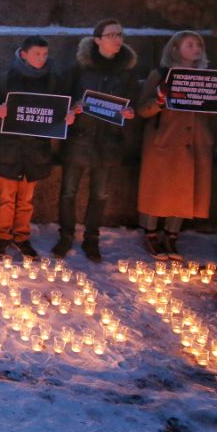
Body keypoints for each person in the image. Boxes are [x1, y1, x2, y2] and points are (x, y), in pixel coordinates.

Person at [135, 30, 217, 260]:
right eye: (190, 44)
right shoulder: (160, 74)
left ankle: (172, 235)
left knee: (185, 188)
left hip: (195, 141)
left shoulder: (208, 77)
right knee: (157, 188)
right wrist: (160, 99)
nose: (196, 48)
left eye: (198, 44)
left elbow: (214, 112)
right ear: (175, 49)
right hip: (166, 141)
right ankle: (151, 233)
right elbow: (143, 109)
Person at [53, 20, 137, 262]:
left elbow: (133, 102)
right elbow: (61, 98)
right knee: (68, 191)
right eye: (111, 35)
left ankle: (92, 239)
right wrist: (73, 107)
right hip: (79, 139)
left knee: (100, 194)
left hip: (109, 142)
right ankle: (66, 236)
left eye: (120, 34)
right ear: (97, 40)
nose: (117, 39)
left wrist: (130, 112)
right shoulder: (79, 69)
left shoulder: (127, 72)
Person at [0, 35, 75, 258]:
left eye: (45, 54)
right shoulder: (6, 78)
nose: (41, 58)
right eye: (37, 53)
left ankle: (21, 236)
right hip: (9, 150)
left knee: (26, 200)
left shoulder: (53, 80)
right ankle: (3, 236)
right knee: (7, 198)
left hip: (36, 151)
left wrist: (67, 117)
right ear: (24, 53)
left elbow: (60, 110)